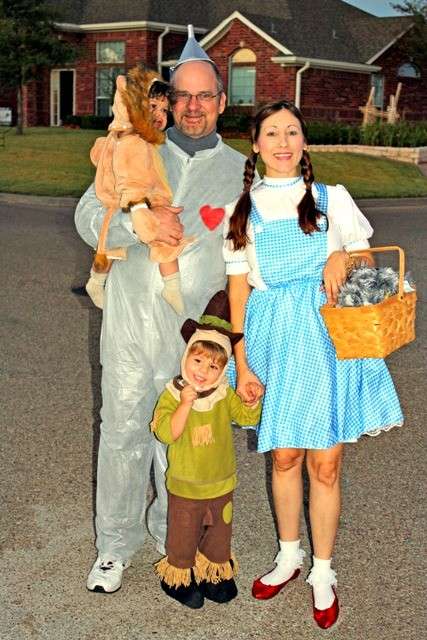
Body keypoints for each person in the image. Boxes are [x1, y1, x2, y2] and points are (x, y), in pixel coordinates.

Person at [75, 25, 249, 594]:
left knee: (183, 438)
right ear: (168, 101)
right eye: (182, 96)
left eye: (204, 96)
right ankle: (114, 545)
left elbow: (264, 254)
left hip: (192, 338)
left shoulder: (242, 174)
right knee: (123, 432)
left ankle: (167, 532)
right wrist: (132, 223)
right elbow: (84, 216)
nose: (193, 107)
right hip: (128, 327)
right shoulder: (137, 152)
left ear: (222, 102)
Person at [223, 100, 403, 629]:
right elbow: (238, 291)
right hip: (274, 337)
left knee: (325, 464)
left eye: (293, 132)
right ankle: (288, 554)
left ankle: (323, 570)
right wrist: (243, 360)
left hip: (329, 338)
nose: (283, 142)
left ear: (304, 142)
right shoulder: (243, 210)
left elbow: (370, 266)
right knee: (283, 459)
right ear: (255, 144)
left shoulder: (332, 199)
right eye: (272, 132)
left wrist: (340, 254)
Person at [151, 291, 262, 609]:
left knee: (218, 534)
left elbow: (243, 417)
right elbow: (166, 434)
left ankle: (214, 573)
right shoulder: (173, 394)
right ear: (185, 356)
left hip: (221, 481)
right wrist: (185, 405)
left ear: (223, 370)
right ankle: (178, 577)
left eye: (213, 366)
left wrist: (251, 401)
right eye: (196, 360)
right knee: (183, 536)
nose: (202, 371)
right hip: (186, 485)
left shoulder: (224, 393)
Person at [86, 67, 193, 314]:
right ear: (134, 107)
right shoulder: (132, 140)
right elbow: (132, 180)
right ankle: (100, 280)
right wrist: (141, 209)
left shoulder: (144, 139)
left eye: (165, 110)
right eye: (153, 106)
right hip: (128, 197)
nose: (159, 115)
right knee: (148, 236)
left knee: (158, 232)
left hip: (142, 195)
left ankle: (170, 285)